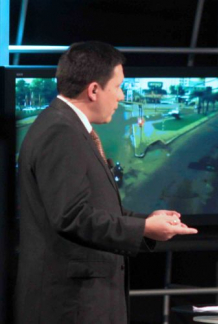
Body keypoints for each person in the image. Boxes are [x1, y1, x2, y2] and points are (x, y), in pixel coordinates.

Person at [15, 41, 198, 324]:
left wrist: (145, 220)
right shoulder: (60, 133)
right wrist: (143, 229)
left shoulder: (66, 127)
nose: (122, 96)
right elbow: (72, 216)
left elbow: (91, 206)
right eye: (118, 87)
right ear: (93, 90)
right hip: (71, 307)